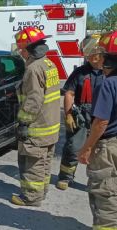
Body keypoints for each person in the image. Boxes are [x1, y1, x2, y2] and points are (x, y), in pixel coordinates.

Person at [11, 27, 61, 206]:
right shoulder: (49, 64)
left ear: (29, 49)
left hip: (38, 127)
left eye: (21, 49)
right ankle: (42, 192)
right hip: (51, 125)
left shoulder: (33, 68)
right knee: (45, 161)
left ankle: (31, 197)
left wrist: (23, 122)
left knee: (33, 163)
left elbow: (33, 100)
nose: (21, 53)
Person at [78, 31, 117, 230]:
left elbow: (101, 122)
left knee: (106, 195)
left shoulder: (108, 84)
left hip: (109, 147)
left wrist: (86, 148)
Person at [56, 35, 105, 190]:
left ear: (101, 52)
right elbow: (69, 93)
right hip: (82, 116)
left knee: (101, 151)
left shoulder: (110, 73)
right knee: (73, 146)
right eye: (88, 55)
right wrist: (68, 114)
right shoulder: (80, 73)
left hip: (103, 117)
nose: (90, 58)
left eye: (93, 54)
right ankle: (65, 177)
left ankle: (98, 182)